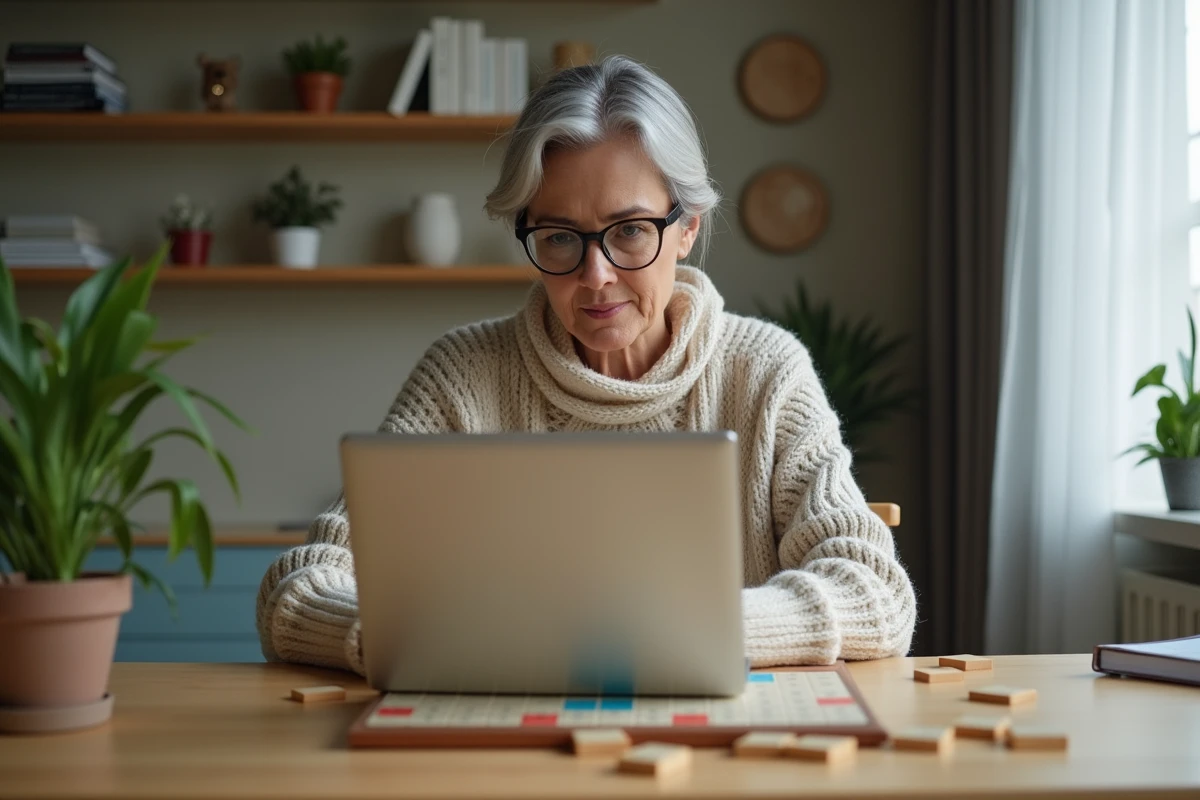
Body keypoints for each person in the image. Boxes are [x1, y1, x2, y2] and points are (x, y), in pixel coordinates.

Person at [256, 55, 917, 676]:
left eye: (630, 230)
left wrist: (696, 632)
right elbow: (298, 588)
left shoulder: (765, 373)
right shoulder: (464, 376)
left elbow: (875, 592)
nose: (595, 276)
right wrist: (422, 638)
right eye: (560, 238)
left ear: (687, 226)